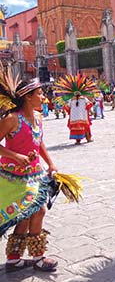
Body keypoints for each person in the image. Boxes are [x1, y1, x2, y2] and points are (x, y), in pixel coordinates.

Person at [0, 76, 59, 273]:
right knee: (37, 211)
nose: (44, 97)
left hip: (35, 173)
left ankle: (13, 259)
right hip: (12, 177)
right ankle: (38, 257)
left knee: (27, 215)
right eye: (40, 93)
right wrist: (15, 155)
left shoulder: (39, 117)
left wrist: (50, 163)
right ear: (27, 97)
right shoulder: (11, 119)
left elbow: (38, 142)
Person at [54, 74, 98, 145]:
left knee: (76, 129)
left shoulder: (71, 100)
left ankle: (78, 140)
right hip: (83, 117)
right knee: (86, 127)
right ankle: (88, 138)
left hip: (74, 118)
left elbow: (67, 107)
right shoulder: (84, 99)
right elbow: (89, 105)